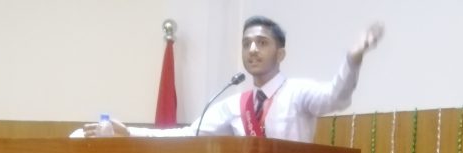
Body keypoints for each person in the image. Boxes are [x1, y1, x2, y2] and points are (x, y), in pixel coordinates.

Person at [80, 16, 384, 143]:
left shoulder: (297, 92)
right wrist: (128, 132)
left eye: (262, 43)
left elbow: (336, 97)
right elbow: (189, 134)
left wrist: (353, 58)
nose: (252, 50)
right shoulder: (235, 104)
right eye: (246, 43)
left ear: (280, 54)